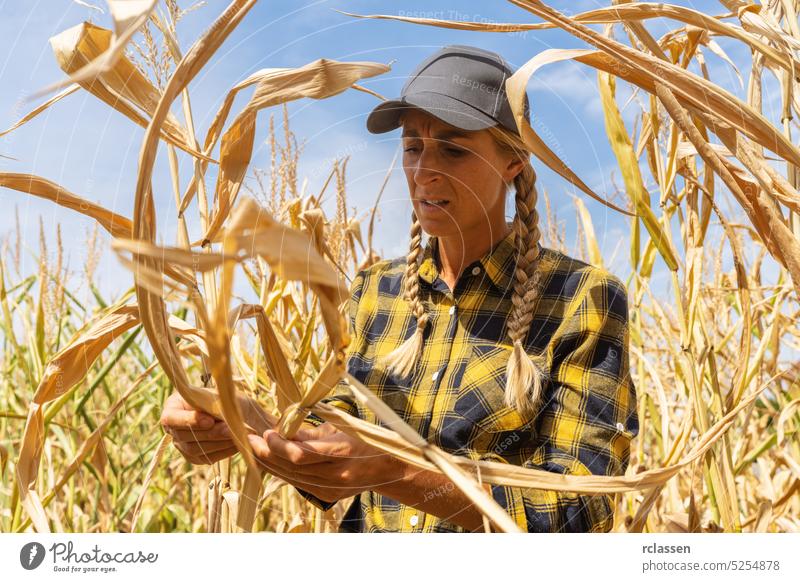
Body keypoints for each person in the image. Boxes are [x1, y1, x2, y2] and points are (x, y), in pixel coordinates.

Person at [160, 44, 639, 533]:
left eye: (453, 148)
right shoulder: (375, 291)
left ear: (513, 162)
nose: (423, 170)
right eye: (412, 147)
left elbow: (582, 510)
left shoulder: (582, 298)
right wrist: (247, 422)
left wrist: (398, 471)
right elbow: (335, 446)